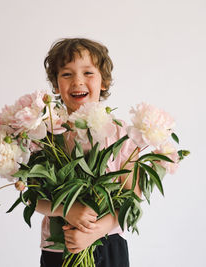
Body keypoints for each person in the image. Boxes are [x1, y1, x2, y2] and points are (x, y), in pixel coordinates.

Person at [36, 38, 140, 267]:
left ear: (104, 81)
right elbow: (33, 197)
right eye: (66, 74)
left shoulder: (120, 133)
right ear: (55, 85)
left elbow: (133, 196)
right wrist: (66, 210)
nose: (77, 82)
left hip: (109, 243)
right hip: (59, 244)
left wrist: (98, 230)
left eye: (88, 73)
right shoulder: (46, 134)